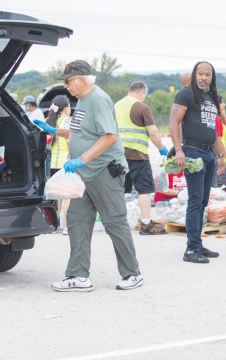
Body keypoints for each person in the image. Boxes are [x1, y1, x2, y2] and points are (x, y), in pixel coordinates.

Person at [49, 60, 142, 292]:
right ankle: (78, 276)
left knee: (114, 222)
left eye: (68, 81)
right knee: (77, 221)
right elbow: (81, 132)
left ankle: (132, 274)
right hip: (84, 175)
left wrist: (83, 158)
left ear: (80, 79)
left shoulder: (98, 100)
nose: (66, 86)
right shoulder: (81, 100)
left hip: (103, 171)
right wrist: (54, 131)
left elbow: (109, 136)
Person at [169, 61, 226, 264]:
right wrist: (179, 150)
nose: (204, 78)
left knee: (203, 201)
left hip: (210, 153)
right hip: (193, 151)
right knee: (195, 201)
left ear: (212, 77)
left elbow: (213, 130)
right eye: (200, 74)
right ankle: (191, 249)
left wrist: (221, 156)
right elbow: (174, 122)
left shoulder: (211, 98)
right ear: (195, 75)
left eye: (207, 75)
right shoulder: (186, 94)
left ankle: (198, 244)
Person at [114, 81, 169, 235]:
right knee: (143, 190)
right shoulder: (142, 107)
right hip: (138, 155)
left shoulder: (116, 106)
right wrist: (162, 149)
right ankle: (146, 224)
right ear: (141, 93)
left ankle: (117, 223)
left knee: (121, 190)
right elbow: (153, 132)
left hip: (117, 156)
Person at [38, 95, 72, 235]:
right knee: (67, 196)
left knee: (55, 195)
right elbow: (71, 141)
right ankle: (67, 227)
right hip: (65, 162)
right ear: (66, 107)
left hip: (50, 163)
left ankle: (54, 224)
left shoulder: (47, 121)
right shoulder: (68, 122)